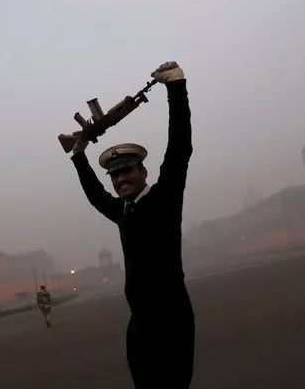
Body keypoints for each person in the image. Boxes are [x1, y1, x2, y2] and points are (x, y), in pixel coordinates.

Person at [68, 61, 195, 388]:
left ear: (144, 173)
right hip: (139, 324)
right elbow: (96, 195)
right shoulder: (123, 211)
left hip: (172, 319)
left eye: (127, 171)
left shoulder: (165, 197)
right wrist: (79, 155)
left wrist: (176, 88)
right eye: (115, 174)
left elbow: (180, 147)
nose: (120, 178)